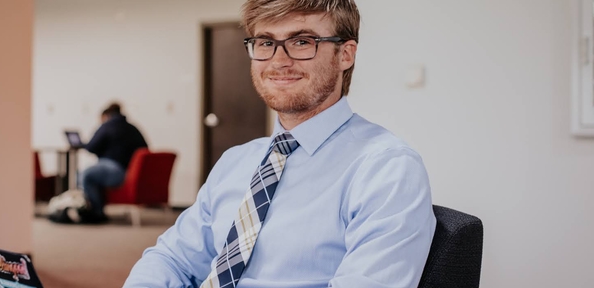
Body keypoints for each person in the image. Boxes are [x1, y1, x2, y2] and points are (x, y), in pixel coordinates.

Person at [124, 0, 436, 287]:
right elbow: (171, 258)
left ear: (345, 54)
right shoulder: (236, 161)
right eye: (265, 42)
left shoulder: (387, 168)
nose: (278, 60)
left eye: (302, 42)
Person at [80, 103, 147, 223]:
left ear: (105, 116)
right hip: (130, 173)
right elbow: (146, 148)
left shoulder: (107, 126)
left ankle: (97, 213)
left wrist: (81, 144)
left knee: (85, 174)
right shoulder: (133, 128)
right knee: (94, 173)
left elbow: (91, 147)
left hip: (116, 171)